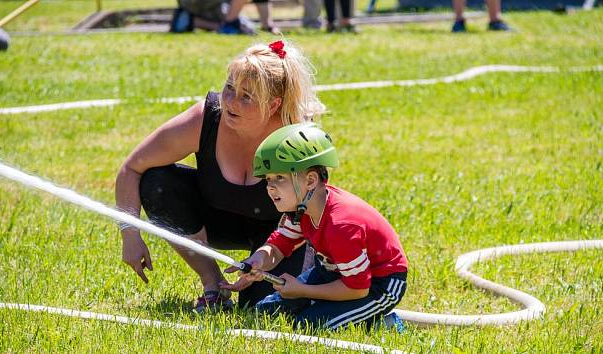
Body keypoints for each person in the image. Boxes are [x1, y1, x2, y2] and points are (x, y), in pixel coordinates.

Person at [116, 40, 325, 312]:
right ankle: (212, 284)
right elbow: (131, 169)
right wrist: (129, 234)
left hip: (282, 235)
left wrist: (275, 260)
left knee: (264, 309)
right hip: (217, 219)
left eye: (246, 97)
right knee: (157, 184)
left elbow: (317, 213)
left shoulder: (297, 137)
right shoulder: (205, 117)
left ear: (273, 105)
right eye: (229, 88)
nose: (230, 102)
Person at [222, 123, 409, 329]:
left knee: (309, 325)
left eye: (279, 177)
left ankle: (384, 322)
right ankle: (330, 307)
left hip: (377, 284)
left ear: (310, 181)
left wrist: (302, 290)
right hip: (334, 272)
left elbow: (358, 288)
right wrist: (258, 260)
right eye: (268, 179)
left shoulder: (341, 226)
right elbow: (278, 246)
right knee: (266, 312)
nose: (270, 187)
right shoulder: (301, 210)